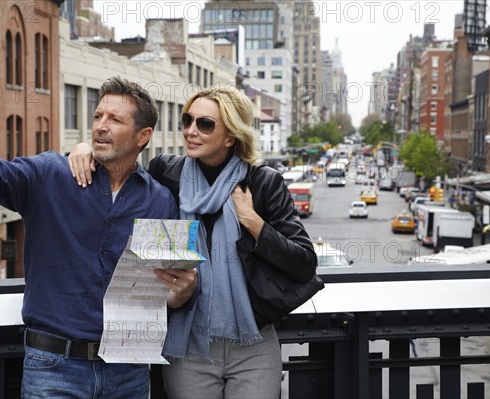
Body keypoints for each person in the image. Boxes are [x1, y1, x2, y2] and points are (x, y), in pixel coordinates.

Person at [0, 76, 198, 399]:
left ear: (143, 136)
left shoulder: (160, 201)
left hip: (128, 372)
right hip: (54, 368)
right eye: (98, 116)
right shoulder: (51, 175)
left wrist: (180, 295)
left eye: (115, 119)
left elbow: (160, 290)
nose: (101, 126)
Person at [69, 85, 318, 399]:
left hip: (253, 344)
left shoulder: (262, 183)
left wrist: (253, 222)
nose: (191, 130)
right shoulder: (166, 174)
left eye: (205, 124)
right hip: (186, 343)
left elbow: (305, 263)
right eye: (187, 120)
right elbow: (117, 176)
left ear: (231, 135)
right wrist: (82, 149)